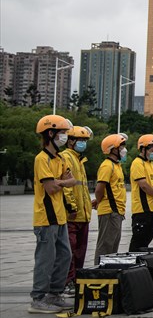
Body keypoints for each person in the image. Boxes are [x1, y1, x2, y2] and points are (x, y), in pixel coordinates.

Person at [29, 115, 78, 314]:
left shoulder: (59, 158)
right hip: (46, 217)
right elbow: (50, 187)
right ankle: (38, 298)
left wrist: (60, 181)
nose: (65, 137)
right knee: (45, 259)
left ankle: (55, 294)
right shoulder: (42, 159)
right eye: (63, 133)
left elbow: (71, 180)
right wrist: (62, 181)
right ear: (51, 134)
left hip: (59, 216)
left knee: (65, 256)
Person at [60, 125, 92, 296]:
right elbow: (67, 187)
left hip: (83, 215)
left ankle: (76, 280)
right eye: (80, 140)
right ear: (70, 141)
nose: (83, 144)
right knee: (70, 252)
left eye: (85, 140)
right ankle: (67, 282)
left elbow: (82, 189)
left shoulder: (79, 160)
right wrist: (71, 206)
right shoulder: (66, 157)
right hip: (73, 215)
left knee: (80, 252)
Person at [93, 133, 128, 262]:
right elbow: (99, 188)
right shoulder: (107, 166)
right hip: (109, 211)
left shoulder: (117, 165)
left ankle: (108, 273)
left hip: (117, 211)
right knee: (105, 246)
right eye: (121, 147)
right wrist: (99, 201)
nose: (124, 150)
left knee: (113, 246)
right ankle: (99, 273)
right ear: (113, 149)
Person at [129, 134, 153, 251]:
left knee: (149, 236)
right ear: (143, 149)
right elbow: (143, 185)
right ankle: (133, 262)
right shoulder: (137, 163)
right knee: (139, 239)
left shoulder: (151, 164)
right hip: (142, 209)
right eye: (152, 150)